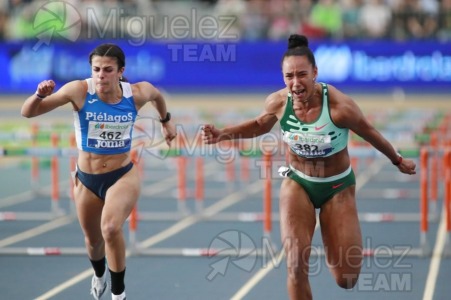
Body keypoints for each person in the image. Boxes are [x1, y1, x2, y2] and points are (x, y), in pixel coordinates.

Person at [201, 34, 416, 299]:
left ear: (315, 72)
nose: (295, 83)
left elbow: (370, 132)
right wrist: (222, 133)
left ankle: (332, 237)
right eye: (288, 76)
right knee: (295, 264)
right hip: (299, 181)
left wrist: (397, 160)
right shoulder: (278, 103)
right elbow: (259, 125)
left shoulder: (340, 107)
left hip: (337, 186)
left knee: (346, 279)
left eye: (302, 75)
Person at [21, 43, 177, 300]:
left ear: (120, 71)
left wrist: (166, 121)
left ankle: (118, 294)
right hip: (87, 179)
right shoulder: (79, 91)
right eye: (96, 69)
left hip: (122, 175)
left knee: (111, 228)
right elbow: (28, 113)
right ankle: (99, 273)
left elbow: (157, 96)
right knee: (93, 242)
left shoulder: (136, 93)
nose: (101, 75)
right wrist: (39, 95)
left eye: (107, 70)